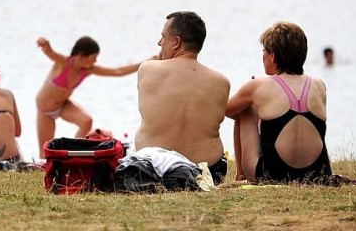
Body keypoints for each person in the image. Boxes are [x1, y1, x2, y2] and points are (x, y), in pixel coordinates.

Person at [226, 21, 333, 184]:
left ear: (272, 56)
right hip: (318, 174)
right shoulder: (319, 85)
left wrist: (255, 104)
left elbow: (227, 111)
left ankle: (241, 176)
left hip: (271, 175)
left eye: (264, 51)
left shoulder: (258, 86)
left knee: (245, 108)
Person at [134, 11, 230, 185]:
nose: (159, 42)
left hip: (154, 170)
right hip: (208, 171)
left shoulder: (147, 69)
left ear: (176, 42)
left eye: (163, 37)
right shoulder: (221, 81)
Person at [35, 36, 144, 158]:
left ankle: (73, 155)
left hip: (63, 105)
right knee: (44, 154)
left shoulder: (86, 70)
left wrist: (144, 63)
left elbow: (117, 71)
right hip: (45, 111)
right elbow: (50, 53)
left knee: (86, 121)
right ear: (82, 56)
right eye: (94, 57)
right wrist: (44, 44)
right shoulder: (63, 63)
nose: (95, 61)